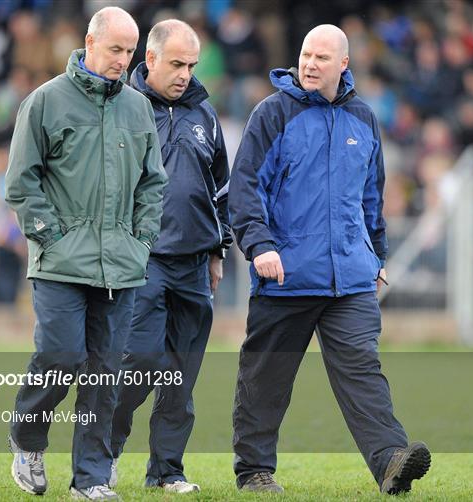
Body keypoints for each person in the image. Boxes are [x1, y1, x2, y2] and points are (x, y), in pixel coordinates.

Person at [228, 24, 431, 495]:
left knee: (363, 371)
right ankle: (254, 471)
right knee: (266, 378)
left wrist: (376, 254)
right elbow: (244, 189)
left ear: (344, 63)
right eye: (305, 54)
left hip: (352, 279)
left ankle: (390, 462)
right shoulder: (272, 114)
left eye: (321, 57)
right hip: (286, 274)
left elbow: (371, 196)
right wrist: (260, 246)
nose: (310, 63)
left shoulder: (364, 116)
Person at [4, 7, 167, 501]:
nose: (123, 59)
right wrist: (51, 237)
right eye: (115, 49)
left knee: (105, 374)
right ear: (90, 43)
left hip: (121, 266)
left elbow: (153, 184)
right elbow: (21, 182)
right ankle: (27, 437)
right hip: (59, 264)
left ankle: (90, 480)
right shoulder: (45, 101)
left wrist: (140, 241)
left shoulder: (139, 108)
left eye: (130, 51)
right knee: (61, 357)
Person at [110, 19, 232, 494]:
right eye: (177, 64)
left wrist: (218, 251)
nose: (185, 74)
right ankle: (106, 452)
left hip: (196, 264)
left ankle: (167, 472)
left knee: (180, 378)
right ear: (152, 59)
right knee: (137, 364)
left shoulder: (205, 113)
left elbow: (220, 189)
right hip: (143, 261)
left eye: (192, 65)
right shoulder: (123, 107)